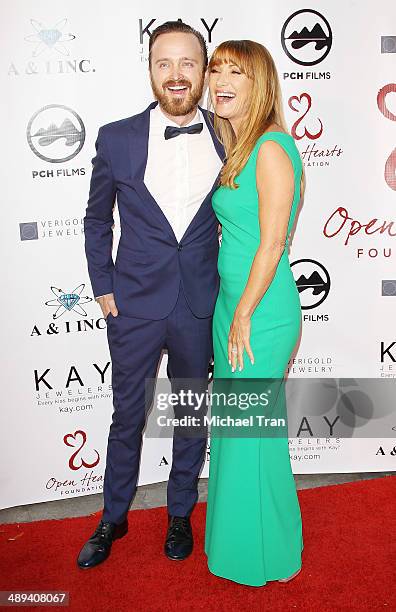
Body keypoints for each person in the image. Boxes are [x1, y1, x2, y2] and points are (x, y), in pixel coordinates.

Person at [77, 21, 224, 569]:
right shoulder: (116, 137)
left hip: (199, 303)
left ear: (204, 71)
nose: (176, 75)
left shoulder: (228, 136)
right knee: (125, 417)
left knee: (190, 414)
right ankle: (113, 517)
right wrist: (102, 285)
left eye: (188, 63)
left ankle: (180, 513)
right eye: (165, 63)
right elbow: (96, 219)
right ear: (150, 70)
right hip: (133, 303)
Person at [204, 40, 305, 586]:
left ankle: (262, 552)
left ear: (259, 83)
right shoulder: (239, 144)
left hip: (260, 311)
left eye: (234, 72)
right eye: (215, 69)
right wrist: (232, 308)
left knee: (249, 428)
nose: (219, 79)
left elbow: (272, 244)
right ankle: (249, 541)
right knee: (246, 429)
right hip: (234, 306)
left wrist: (243, 313)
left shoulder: (269, 147)